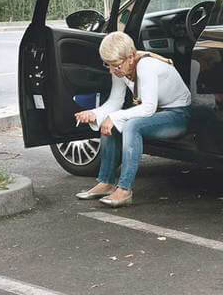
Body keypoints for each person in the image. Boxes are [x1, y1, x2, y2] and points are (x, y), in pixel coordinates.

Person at [73, 31, 191, 207]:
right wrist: (95, 114)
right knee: (110, 122)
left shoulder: (146, 65)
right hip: (157, 112)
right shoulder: (121, 66)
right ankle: (106, 182)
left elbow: (148, 107)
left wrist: (113, 117)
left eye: (116, 66)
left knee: (131, 125)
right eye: (108, 65)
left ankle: (124, 189)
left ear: (130, 57)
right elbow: (115, 102)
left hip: (179, 114)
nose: (112, 71)